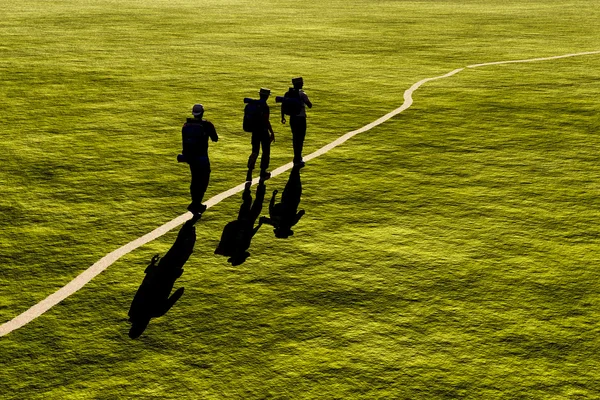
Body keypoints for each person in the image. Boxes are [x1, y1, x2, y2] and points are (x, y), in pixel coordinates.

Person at [179, 104, 218, 215]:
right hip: (202, 157)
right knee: (204, 179)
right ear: (202, 113)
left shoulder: (186, 125)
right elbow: (215, 138)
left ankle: (194, 202)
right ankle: (197, 203)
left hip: (191, 158)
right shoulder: (207, 125)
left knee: (195, 179)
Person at [214, 181, 266, 265]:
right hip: (247, 221)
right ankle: (258, 186)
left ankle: (253, 187)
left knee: (251, 202)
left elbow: (229, 231)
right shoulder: (242, 247)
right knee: (255, 203)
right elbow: (250, 234)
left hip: (243, 221)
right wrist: (259, 225)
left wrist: (239, 223)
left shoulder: (230, 248)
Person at [281, 77, 312, 167]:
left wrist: (282, 117)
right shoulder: (302, 94)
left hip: (293, 119)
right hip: (301, 119)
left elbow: (283, 105)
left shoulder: (288, 94)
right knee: (300, 138)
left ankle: (296, 156)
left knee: (295, 138)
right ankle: (298, 157)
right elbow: (309, 105)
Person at [247, 88, 275, 181]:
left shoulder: (254, 104)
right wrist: (271, 131)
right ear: (267, 96)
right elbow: (266, 120)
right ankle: (263, 172)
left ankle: (250, 170)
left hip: (255, 131)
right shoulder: (265, 106)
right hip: (263, 131)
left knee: (255, 150)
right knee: (266, 151)